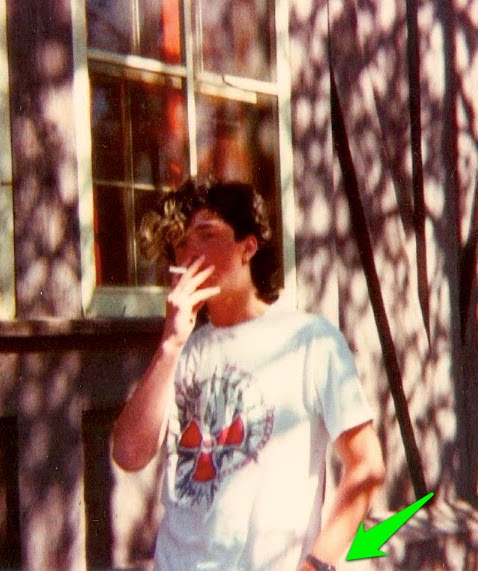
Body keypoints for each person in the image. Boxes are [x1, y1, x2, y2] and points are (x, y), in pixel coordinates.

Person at [112, 178, 385, 570]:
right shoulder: (182, 351)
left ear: (248, 247)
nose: (191, 253)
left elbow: (367, 466)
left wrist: (315, 565)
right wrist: (170, 344)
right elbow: (128, 454)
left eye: (207, 235)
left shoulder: (309, 340)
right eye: (181, 243)